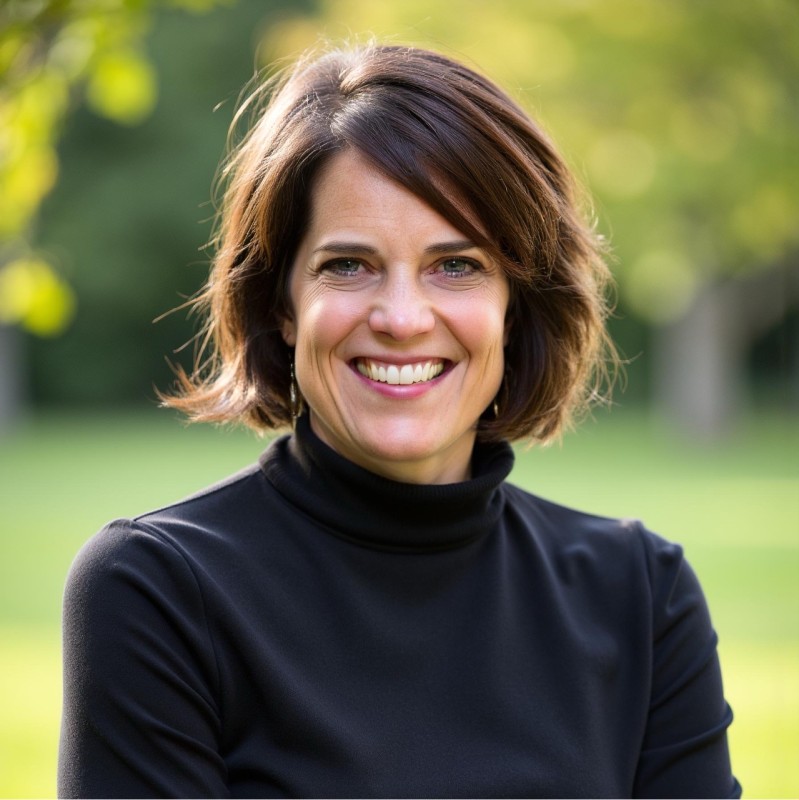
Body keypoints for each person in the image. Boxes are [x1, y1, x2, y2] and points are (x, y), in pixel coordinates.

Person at [58, 43, 740, 798]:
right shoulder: (160, 589)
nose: (403, 318)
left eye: (457, 266)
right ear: (282, 304)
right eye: (347, 265)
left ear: (515, 306)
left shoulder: (640, 595)